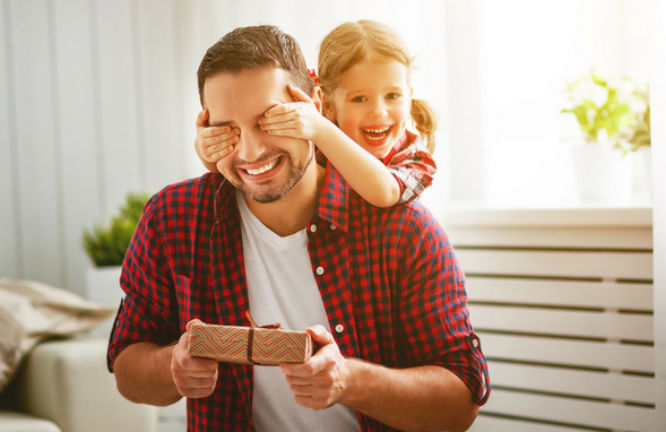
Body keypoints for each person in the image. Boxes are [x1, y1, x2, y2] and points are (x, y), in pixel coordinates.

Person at [108, 24, 489, 432]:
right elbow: (126, 365)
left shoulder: (407, 232)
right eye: (228, 129)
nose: (252, 151)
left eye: (271, 119)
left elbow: (460, 402)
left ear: (315, 106)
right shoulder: (174, 218)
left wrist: (349, 380)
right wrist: (172, 367)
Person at [194, 20, 437, 208]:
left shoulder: (413, 158)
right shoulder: (310, 138)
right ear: (328, 105)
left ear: (409, 94)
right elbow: (250, 161)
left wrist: (320, 128)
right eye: (359, 98)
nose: (379, 111)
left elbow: (385, 194)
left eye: (393, 96)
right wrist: (209, 151)